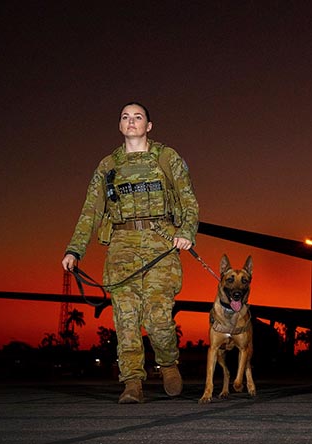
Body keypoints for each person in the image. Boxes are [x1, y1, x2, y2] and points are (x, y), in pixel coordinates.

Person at [61, 102, 199, 404]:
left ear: (148, 126)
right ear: (120, 126)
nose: (131, 121)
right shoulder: (108, 166)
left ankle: (168, 362)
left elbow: (189, 200)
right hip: (122, 246)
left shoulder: (166, 158)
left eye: (138, 117)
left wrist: (186, 232)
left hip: (161, 243)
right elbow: (91, 210)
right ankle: (132, 382)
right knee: (125, 319)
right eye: (125, 117)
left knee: (158, 318)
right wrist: (75, 249)